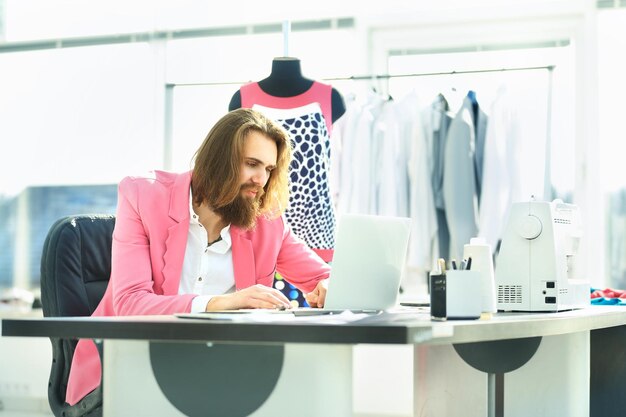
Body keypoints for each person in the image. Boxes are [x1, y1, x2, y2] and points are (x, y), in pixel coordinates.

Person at [64, 108, 331, 406]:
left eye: (269, 169)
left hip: (216, 373)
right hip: (124, 368)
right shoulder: (142, 195)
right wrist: (221, 304)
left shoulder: (267, 223)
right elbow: (130, 303)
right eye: (252, 164)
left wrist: (329, 286)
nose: (261, 179)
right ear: (218, 161)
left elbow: (322, 277)